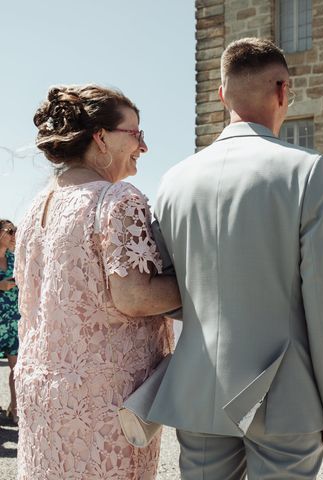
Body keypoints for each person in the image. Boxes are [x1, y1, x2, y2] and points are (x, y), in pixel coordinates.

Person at [148, 38, 323, 479]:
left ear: (222, 96)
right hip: (285, 392)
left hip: (198, 388)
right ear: (283, 89)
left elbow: (165, 290)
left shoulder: (173, 181)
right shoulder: (304, 170)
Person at [14, 84, 180, 479]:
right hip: (105, 402)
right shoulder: (116, 198)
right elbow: (135, 296)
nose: (144, 146)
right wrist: (211, 285)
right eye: (136, 133)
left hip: (43, 392)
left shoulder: (36, 207)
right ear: (101, 137)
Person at [0, 220, 19, 425]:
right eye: (9, 231)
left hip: (13, 321)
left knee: (17, 369)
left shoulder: (15, 259)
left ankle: (15, 408)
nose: (14, 234)